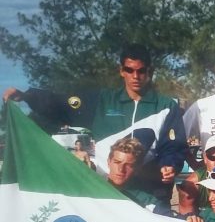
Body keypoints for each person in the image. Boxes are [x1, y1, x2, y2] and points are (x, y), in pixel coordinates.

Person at [2, 43, 188, 203]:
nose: (135, 76)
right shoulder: (103, 100)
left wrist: (170, 164)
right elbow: (62, 103)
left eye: (141, 71)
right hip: (106, 189)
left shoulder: (165, 106)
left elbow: (174, 146)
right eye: (129, 70)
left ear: (150, 71)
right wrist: (28, 96)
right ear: (121, 71)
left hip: (149, 191)